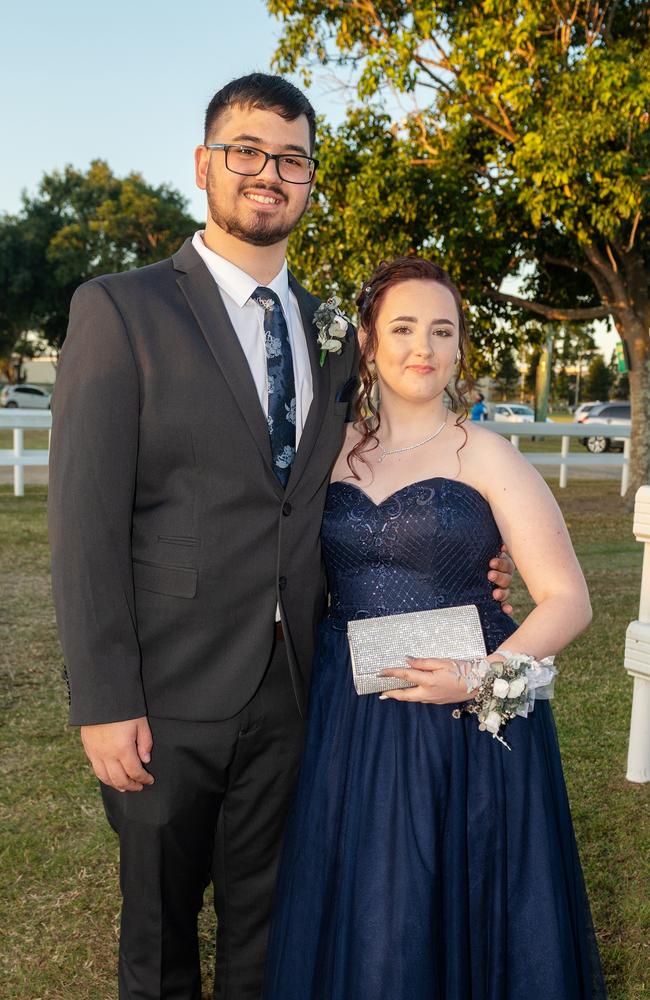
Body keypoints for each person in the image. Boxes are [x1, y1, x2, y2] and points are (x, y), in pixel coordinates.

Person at [48, 75, 515, 999]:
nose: (270, 172)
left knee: (275, 932)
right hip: (165, 692)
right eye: (248, 151)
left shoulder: (334, 332)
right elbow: (82, 521)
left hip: (300, 692)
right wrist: (103, 698)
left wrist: (472, 560)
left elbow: (370, 469)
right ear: (205, 166)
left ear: (309, 182)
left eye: (292, 158)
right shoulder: (120, 309)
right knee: (159, 938)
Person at [263, 257, 607, 1000]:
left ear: (458, 349)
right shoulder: (329, 457)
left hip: (466, 718)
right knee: (369, 899)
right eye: (404, 327)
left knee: (464, 890)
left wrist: (480, 679)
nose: (423, 346)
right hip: (351, 714)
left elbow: (567, 600)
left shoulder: (488, 455)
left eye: (442, 330)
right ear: (367, 342)